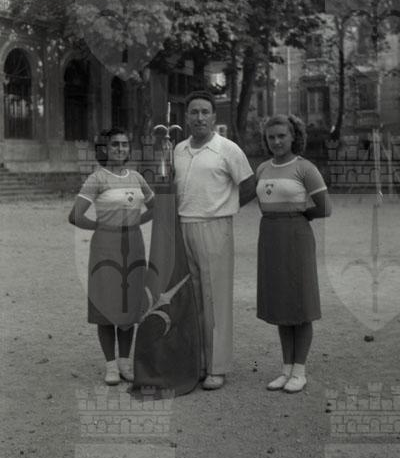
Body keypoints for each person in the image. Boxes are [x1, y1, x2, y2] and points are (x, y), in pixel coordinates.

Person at [174, 91, 255, 390]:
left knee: (215, 300)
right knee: (192, 298)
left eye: (204, 112)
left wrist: (225, 208)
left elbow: (250, 185)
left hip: (215, 227)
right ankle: (198, 362)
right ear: (186, 117)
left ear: (213, 117)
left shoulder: (227, 149)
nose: (199, 117)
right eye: (194, 112)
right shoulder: (178, 149)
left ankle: (217, 367)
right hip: (185, 225)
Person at [69, 128, 154, 385]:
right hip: (105, 247)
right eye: (115, 144)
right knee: (106, 305)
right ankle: (110, 366)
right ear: (105, 149)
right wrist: (102, 226)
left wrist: (134, 223)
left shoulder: (137, 177)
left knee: (128, 305)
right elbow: (75, 215)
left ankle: (125, 363)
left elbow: (155, 207)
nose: (120, 149)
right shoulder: (97, 178)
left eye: (124, 144)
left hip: (134, 245)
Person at [256, 115, 331, 393]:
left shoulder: (305, 168)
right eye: (271, 137)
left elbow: (325, 207)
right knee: (281, 305)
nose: (276, 141)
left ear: (293, 137)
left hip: (296, 237)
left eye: (281, 136)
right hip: (270, 237)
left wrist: (298, 215)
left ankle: (299, 371)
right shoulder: (262, 168)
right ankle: (286, 369)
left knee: (301, 303)